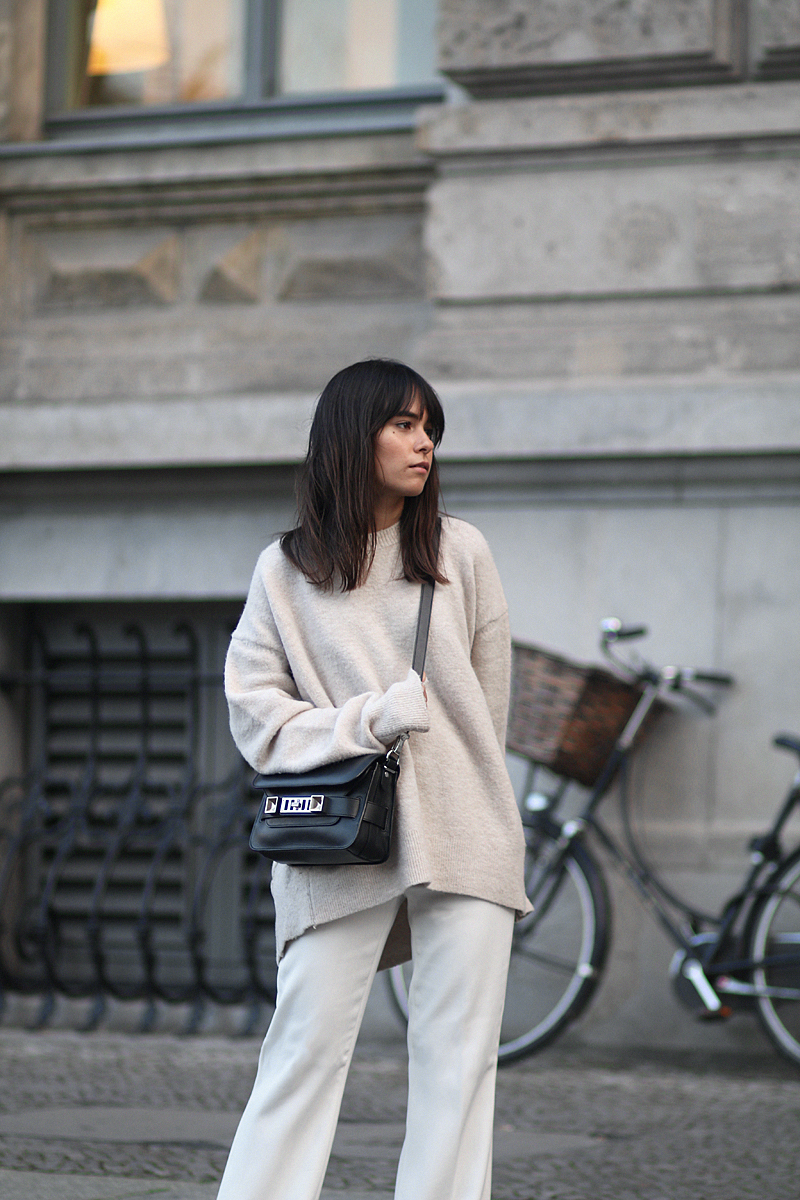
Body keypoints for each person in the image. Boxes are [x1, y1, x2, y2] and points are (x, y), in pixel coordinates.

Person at [217, 358, 530, 1200]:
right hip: (338, 837)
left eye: (429, 425)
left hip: (467, 831)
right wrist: (368, 719)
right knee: (304, 1048)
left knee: (458, 1064)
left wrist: (464, 792)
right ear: (352, 437)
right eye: (402, 423)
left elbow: (485, 715)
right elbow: (256, 720)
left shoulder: (461, 551)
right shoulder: (285, 571)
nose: (423, 441)